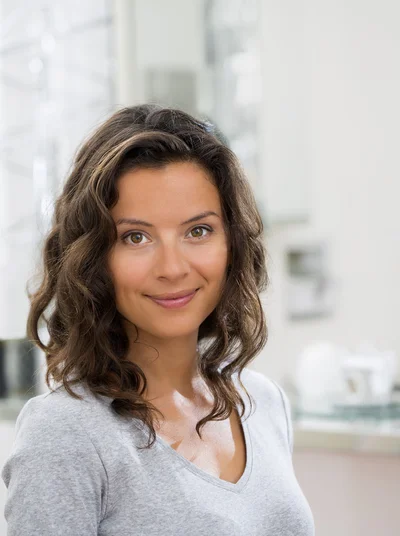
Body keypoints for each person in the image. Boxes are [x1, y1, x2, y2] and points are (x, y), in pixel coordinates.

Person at [1, 105, 315, 535]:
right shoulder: (66, 435)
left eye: (198, 231)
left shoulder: (262, 402)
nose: (172, 267)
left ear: (232, 242)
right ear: (94, 258)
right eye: (136, 237)